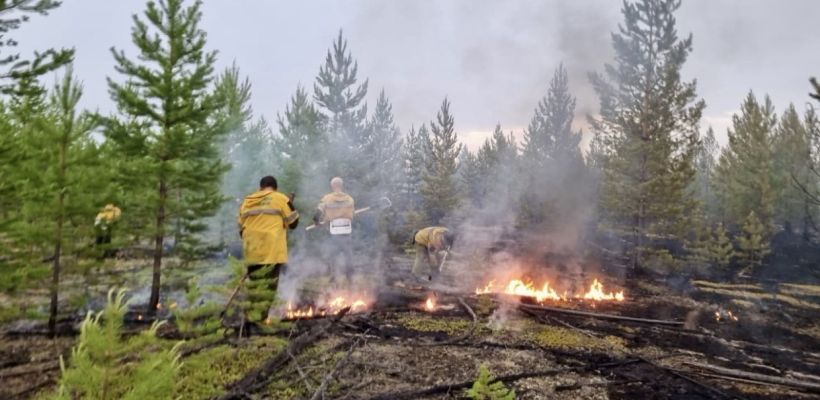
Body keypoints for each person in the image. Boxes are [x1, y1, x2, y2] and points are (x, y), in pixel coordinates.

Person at [238, 176, 299, 294]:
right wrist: (290, 206)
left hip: (252, 249)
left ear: (260, 188)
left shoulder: (247, 201)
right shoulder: (281, 198)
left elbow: (240, 229)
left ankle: (252, 311)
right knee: (269, 288)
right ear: (275, 188)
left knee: (255, 286)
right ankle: (263, 312)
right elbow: (293, 224)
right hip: (272, 250)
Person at [313, 177, 355, 281]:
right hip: (346, 230)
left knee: (333, 254)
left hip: (333, 230)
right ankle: (349, 276)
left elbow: (319, 211)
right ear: (341, 185)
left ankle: (333, 276)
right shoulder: (350, 199)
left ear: (332, 186)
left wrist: (316, 221)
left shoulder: (327, 198)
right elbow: (352, 215)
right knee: (348, 254)